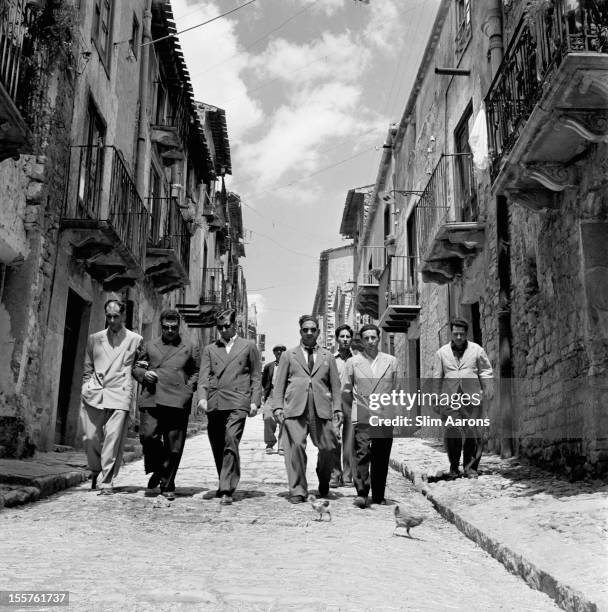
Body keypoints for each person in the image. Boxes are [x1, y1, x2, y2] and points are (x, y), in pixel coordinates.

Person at [272, 315, 343, 504]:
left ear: (318, 332)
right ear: (300, 332)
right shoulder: (289, 355)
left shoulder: (328, 356)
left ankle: (324, 478)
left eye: (313, 329)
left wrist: (338, 409)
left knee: (329, 447)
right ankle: (297, 490)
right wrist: (278, 407)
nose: (309, 332)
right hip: (294, 408)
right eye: (306, 329)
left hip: (322, 409)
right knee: (294, 448)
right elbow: (278, 385)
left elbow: (336, 386)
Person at [132, 310, 200, 500]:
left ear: (179, 326)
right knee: (147, 436)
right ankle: (159, 468)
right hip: (152, 397)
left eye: (174, 327)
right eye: (166, 327)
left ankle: (168, 483)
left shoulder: (190, 346)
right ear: (161, 326)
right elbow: (137, 366)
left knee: (174, 446)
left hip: (178, 399)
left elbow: (196, 370)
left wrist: (188, 390)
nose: (170, 331)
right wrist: (143, 375)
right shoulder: (150, 345)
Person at [197, 309, 262, 505]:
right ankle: (225, 479)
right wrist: (202, 398)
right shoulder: (210, 349)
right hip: (216, 401)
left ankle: (226, 488)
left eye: (227, 326)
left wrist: (254, 401)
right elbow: (203, 377)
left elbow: (256, 376)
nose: (224, 330)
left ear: (235, 326)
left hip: (238, 401)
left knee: (231, 439)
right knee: (218, 444)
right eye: (220, 327)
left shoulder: (248, 346)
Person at [79, 299, 143, 495]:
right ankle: (96, 470)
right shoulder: (94, 339)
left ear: (123, 316)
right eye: (109, 316)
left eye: (116, 316)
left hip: (120, 394)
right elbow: (87, 368)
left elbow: (138, 368)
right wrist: (86, 387)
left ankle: (107, 481)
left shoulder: (135, 340)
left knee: (113, 439)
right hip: (95, 393)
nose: (112, 320)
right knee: (90, 438)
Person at [341, 324, 397, 508]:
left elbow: (395, 388)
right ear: (362, 341)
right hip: (362, 413)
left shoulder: (391, 361)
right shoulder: (353, 363)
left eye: (373, 337)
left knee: (381, 455)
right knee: (362, 453)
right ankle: (362, 493)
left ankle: (379, 494)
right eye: (366, 338)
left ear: (379, 338)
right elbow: (346, 390)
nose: (370, 341)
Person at [432, 318, 494, 479]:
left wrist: (487, 388)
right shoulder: (441, 353)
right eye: (455, 334)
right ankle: (454, 467)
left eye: (462, 334)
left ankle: (470, 467)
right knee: (453, 433)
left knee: (473, 433)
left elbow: (486, 371)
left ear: (466, 333)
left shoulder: (477, 350)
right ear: (451, 334)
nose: (459, 337)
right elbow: (437, 377)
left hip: (472, 398)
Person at [329, 324, 355, 487]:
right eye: (342, 336)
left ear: (351, 339)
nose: (345, 339)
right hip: (334, 402)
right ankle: (334, 475)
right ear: (337, 338)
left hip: (352, 402)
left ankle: (348, 476)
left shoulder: (358, 359)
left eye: (348, 336)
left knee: (350, 441)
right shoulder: (331, 359)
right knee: (334, 439)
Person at [262, 344, 287, 455]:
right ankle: (270, 443)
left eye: (282, 351)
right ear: (274, 353)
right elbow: (264, 381)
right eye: (277, 351)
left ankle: (282, 446)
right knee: (267, 417)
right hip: (271, 394)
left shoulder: (290, 365)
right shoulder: (268, 366)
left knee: (283, 420)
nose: (279, 353)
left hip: (285, 395)